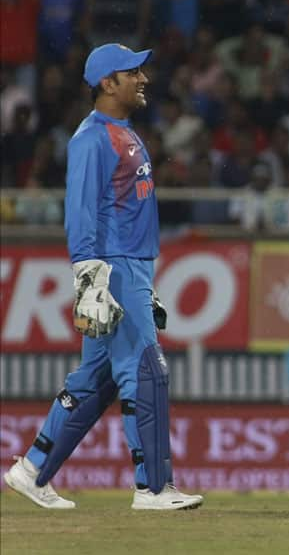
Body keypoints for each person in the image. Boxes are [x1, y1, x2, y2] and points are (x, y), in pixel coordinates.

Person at [2, 44, 202, 510]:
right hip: (113, 267)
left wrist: (143, 281)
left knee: (97, 380)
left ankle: (31, 470)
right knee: (146, 371)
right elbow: (80, 210)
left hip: (130, 266)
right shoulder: (92, 137)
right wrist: (89, 275)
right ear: (107, 83)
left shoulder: (123, 131)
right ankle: (153, 488)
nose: (143, 78)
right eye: (133, 72)